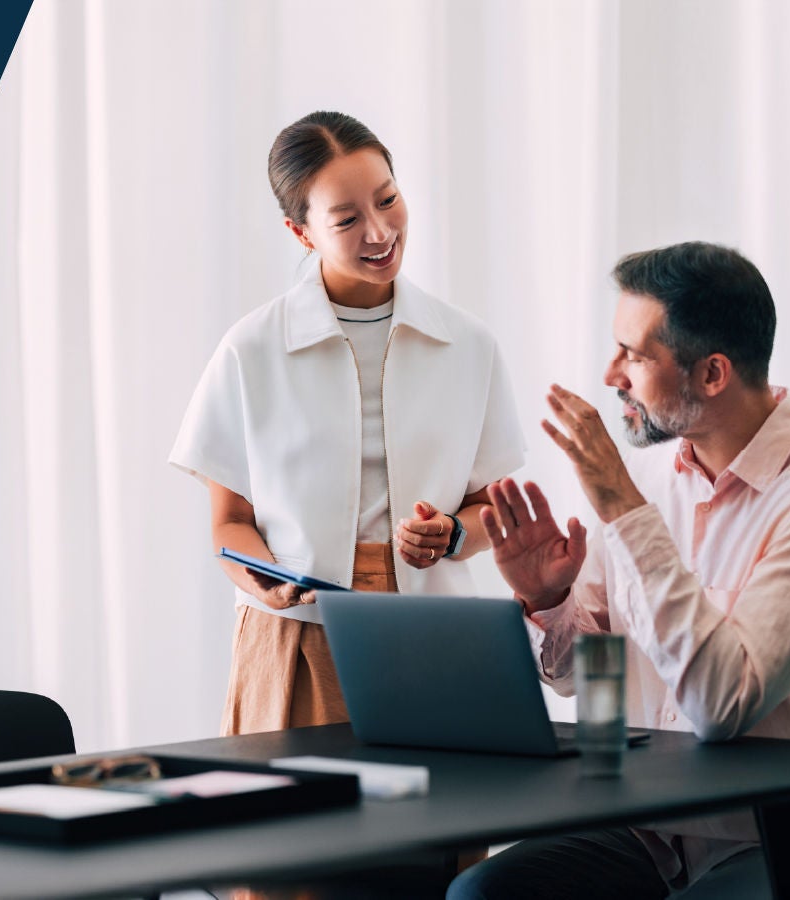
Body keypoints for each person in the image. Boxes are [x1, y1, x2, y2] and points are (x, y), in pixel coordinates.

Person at [450, 242, 790, 900]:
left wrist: (627, 515)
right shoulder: (642, 479)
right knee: (483, 892)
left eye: (633, 355)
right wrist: (546, 597)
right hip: (651, 832)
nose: (612, 375)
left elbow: (722, 704)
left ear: (713, 373)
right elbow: (581, 675)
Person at [169, 110, 525, 738]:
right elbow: (229, 523)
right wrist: (269, 584)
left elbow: (488, 508)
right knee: (299, 830)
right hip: (297, 638)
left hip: (434, 637)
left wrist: (450, 534)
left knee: (442, 829)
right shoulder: (252, 350)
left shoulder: (468, 345)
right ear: (301, 232)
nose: (381, 230)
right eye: (347, 219)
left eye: (388, 200)